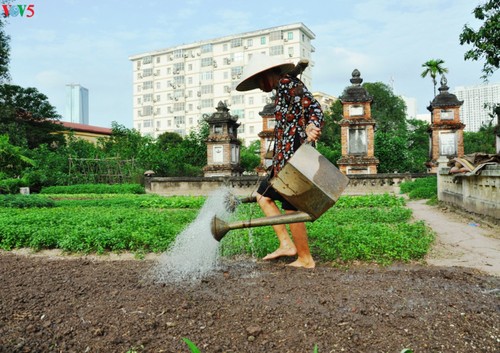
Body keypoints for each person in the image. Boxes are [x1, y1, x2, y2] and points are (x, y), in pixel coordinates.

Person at [236, 54, 324, 268]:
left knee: (291, 206)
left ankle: (305, 258)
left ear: (267, 75)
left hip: (293, 155)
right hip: (284, 157)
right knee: (263, 196)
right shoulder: (283, 87)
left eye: (259, 81)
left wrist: (312, 127)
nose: (259, 86)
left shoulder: (286, 83)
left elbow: (314, 108)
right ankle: (287, 245)